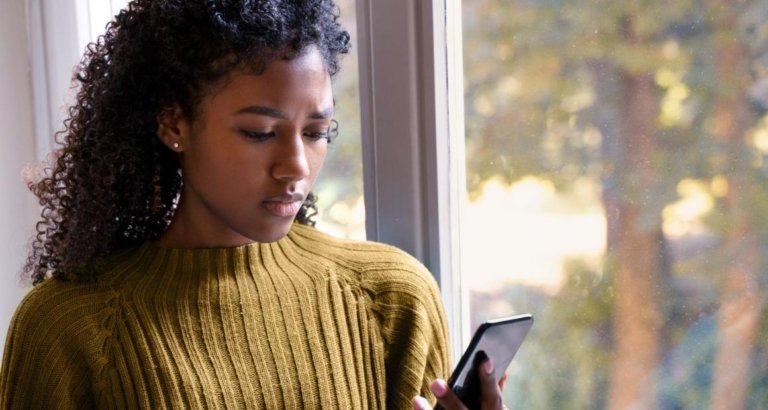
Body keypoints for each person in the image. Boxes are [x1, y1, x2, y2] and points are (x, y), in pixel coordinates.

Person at [0, 1, 506, 408]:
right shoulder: (72, 327)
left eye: (316, 132)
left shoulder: (392, 300)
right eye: (260, 133)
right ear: (173, 124)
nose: (297, 166)